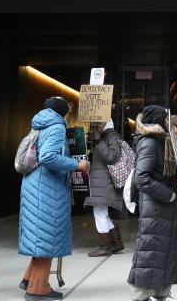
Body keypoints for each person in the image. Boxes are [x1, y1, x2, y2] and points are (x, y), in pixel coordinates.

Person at [18, 97, 89, 300]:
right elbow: (48, 157)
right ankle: (37, 289)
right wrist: (77, 165)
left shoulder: (40, 124)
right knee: (47, 236)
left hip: (34, 184)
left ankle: (29, 279)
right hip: (47, 189)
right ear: (63, 112)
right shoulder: (57, 126)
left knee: (41, 235)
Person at [128, 105, 177, 301]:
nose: (169, 122)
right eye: (166, 119)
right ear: (158, 121)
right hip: (156, 205)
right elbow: (142, 178)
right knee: (150, 252)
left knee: (165, 250)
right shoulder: (150, 142)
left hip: (163, 205)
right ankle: (141, 296)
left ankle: (162, 294)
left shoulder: (162, 140)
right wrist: (169, 195)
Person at [87, 119, 125, 257]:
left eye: (99, 124)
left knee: (100, 212)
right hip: (102, 180)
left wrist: (99, 142)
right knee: (101, 212)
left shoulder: (110, 136)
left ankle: (105, 246)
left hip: (104, 181)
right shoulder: (108, 136)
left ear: (106, 124)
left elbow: (112, 157)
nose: (97, 127)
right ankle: (115, 242)